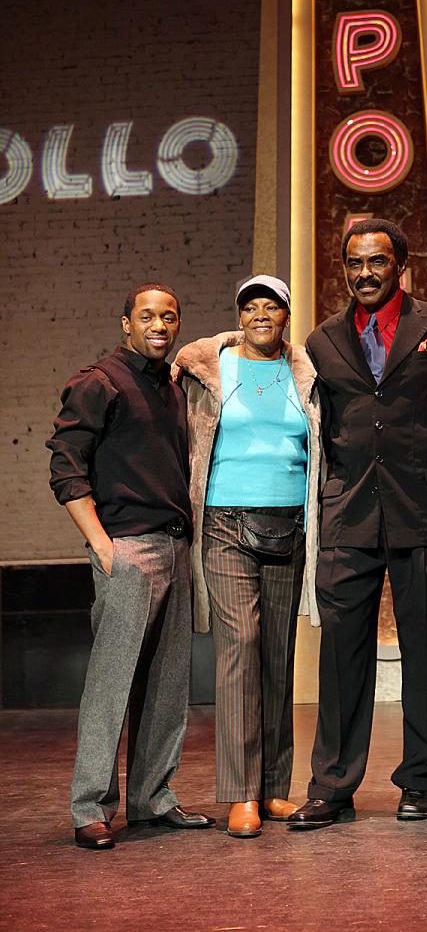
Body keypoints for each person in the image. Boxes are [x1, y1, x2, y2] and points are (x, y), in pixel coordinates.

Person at [288, 219, 427, 829]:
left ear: (400, 267)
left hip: (423, 508)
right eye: (355, 264)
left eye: (378, 263)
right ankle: (332, 787)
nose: (366, 273)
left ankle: (420, 781)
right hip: (349, 512)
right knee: (340, 656)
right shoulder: (321, 341)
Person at [46, 283, 215, 850]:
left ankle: (152, 799)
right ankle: (90, 806)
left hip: (174, 547)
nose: (160, 325)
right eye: (147, 316)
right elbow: (66, 467)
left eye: (170, 316)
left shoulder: (167, 386)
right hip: (127, 548)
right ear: (126, 323)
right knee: (111, 684)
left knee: (168, 686)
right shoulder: (100, 382)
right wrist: (100, 545)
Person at [173, 275, 322, 839]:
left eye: (272, 307)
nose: (261, 315)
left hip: (288, 524)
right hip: (225, 523)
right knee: (242, 647)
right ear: (240, 315)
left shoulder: (306, 372)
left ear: (287, 316)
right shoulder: (210, 366)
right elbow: (185, 366)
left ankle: (275, 788)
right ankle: (240, 795)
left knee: (279, 654)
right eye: (251, 307)